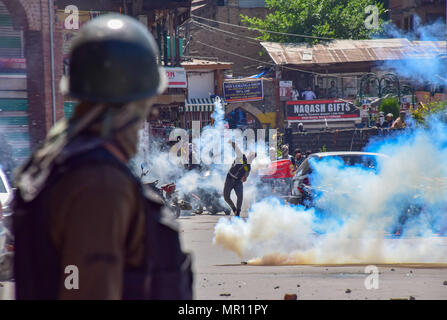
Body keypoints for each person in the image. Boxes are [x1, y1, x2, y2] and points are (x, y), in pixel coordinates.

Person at [12, 14, 192, 300]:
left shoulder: (62, 160)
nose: (150, 115)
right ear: (127, 105)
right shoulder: (99, 182)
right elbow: (86, 288)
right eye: (146, 105)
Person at [223, 141, 255, 217]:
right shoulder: (241, 157)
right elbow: (237, 149)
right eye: (251, 156)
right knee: (226, 197)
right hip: (230, 178)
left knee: (240, 197)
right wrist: (233, 143)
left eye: (253, 158)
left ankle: (238, 212)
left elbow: (246, 175)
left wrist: (245, 177)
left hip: (238, 182)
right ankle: (233, 208)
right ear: (248, 156)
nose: (251, 158)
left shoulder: (248, 166)